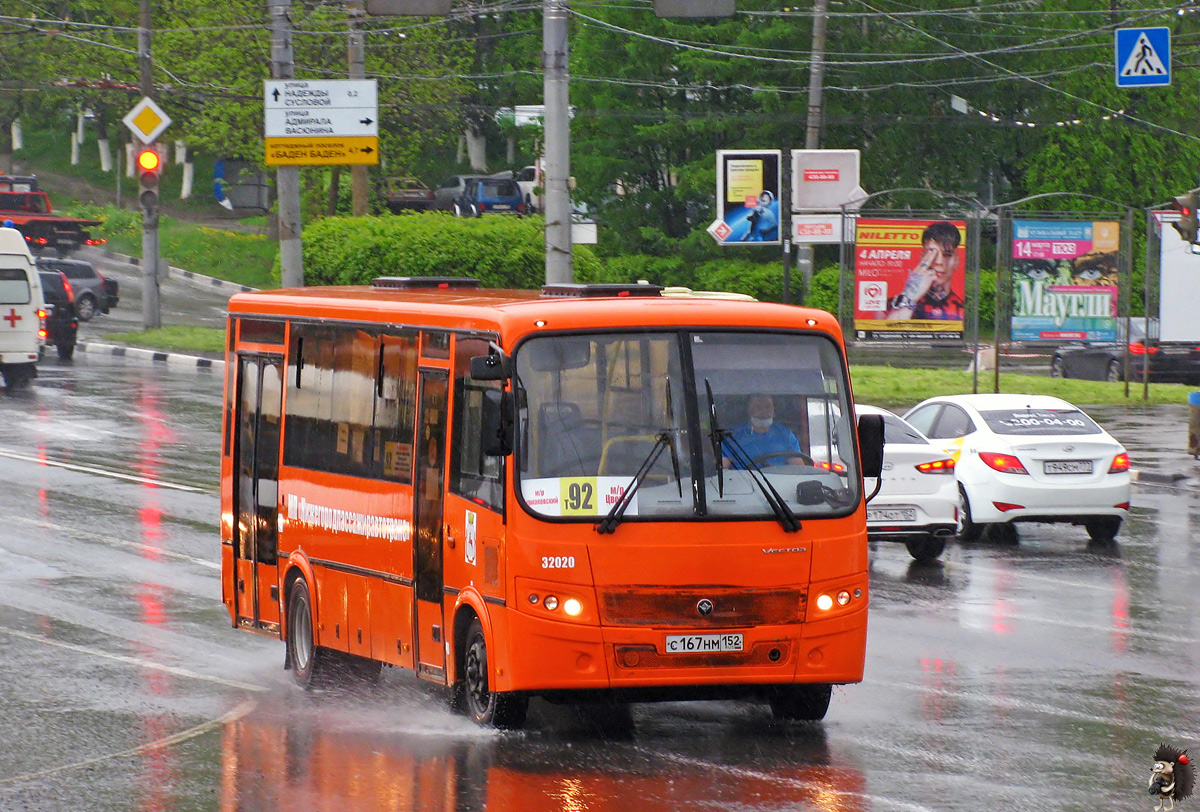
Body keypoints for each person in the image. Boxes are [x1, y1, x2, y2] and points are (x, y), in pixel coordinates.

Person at [885, 221, 964, 320]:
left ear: (956, 260)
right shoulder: (891, 305)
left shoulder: (962, 309)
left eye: (947, 255)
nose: (939, 262)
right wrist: (910, 297)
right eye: (931, 253)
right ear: (922, 257)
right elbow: (887, 333)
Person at [721, 394, 805, 469]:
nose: (763, 412)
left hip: (779, 484)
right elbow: (722, 469)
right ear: (749, 410)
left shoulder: (786, 435)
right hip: (744, 483)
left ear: (774, 410)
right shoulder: (732, 436)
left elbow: (798, 469)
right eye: (758, 407)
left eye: (768, 407)